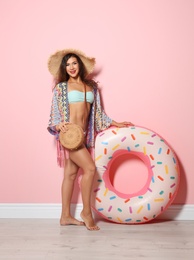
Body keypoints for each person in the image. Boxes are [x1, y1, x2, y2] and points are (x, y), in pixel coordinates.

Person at [47, 49, 133, 231]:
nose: (71, 67)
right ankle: (86, 212)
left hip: (85, 136)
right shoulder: (61, 88)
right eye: (68, 64)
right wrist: (58, 125)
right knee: (91, 168)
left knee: (70, 175)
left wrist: (115, 123)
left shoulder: (92, 86)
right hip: (70, 136)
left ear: (80, 65)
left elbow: (98, 114)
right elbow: (55, 112)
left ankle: (65, 216)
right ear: (64, 68)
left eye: (74, 63)